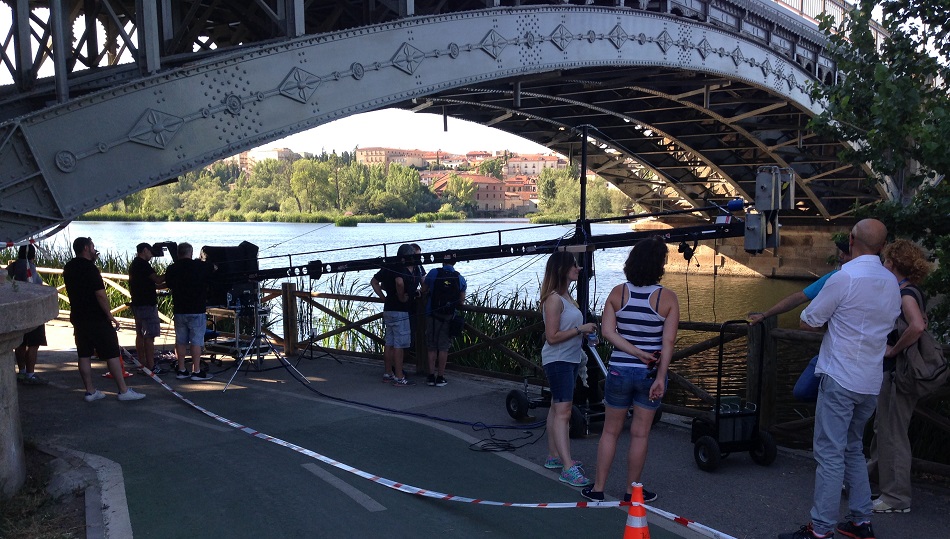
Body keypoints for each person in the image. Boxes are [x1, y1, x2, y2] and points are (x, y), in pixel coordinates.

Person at [780, 219, 901, 539]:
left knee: (830, 455)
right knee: (852, 449)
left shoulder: (845, 277)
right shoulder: (891, 282)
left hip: (840, 377)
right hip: (870, 381)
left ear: (850, 240)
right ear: (882, 247)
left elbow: (809, 320)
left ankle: (820, 529)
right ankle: (861, 521)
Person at [581, 237, 679, 503]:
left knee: (610, 431)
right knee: (639, 434)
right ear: (660, 265)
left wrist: (633, 352)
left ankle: (598, 489)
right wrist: (660, 376)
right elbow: (668, 343)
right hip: (649, 376)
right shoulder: (667, 298)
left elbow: (607, 332)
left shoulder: (617, 293)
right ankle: (631, 493)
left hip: (619, 371)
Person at [866, 239, 933, 514]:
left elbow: (916, 326)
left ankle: (896, 499)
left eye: (885, 260)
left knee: (893, 433)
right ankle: (875, 482)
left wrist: (893, 349)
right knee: (884, 429)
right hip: (897, 373)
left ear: (892, 263)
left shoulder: (905, 293)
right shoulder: (910, 290)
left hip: (899, 374)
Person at [749, 239, 851, 401]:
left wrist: (765, 315)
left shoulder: (838, 278)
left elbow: (803, 307)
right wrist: (765, 314)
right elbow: (800, 297)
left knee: (807, 392)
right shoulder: (883, 279)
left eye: (845, 253)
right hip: (866, 362)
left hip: (839, 357)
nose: (840, 256)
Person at [62, 237, 146, 402]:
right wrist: (110, 315)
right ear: (86, 248)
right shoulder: (91, 269)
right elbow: (100, 294)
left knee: (84, 354)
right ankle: (123, 390)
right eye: (92, 247)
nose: (95, 250)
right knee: (112, 353)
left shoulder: (69, 266)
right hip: (96, 317)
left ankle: (90, 391)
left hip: (78, 316)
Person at [539, 251, 597, 487]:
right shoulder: (554, 299)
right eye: (574, 265)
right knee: (564, 412)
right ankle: (567, 467)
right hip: (559, 360)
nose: (579, 268)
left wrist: (583, 331)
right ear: (563, 269)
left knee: (556, 407)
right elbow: (551, 337)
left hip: (569, 359)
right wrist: (580, 329)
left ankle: (555, 456)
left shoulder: (566, 296)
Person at [164, 242, 215, 381]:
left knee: (180, 341)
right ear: (191, 253)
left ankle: (181, 369)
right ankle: (196, 371)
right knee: (196, 342)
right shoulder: (200, 266)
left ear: (178, 253)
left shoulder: (172, 268)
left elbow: (168, 283)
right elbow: (213, 268)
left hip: (179, 310)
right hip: (197, 309)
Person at [371, 244, 418, 386]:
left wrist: (383, 298)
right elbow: (399, 282)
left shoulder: (388, 266)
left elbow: (374, 282)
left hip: (388, 308)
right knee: (399, 344)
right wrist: (402, 297)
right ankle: (399, 376)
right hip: (400, 310)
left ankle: (388, 373)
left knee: (389, 342)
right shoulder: (400, 268)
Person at [7, 244, 49, 385]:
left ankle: (22, 371)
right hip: (32, 311)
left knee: (20, 343)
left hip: (15, 311)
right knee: (33, 344)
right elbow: (35, 287)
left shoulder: (12, 267)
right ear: (33, 255)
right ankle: (30, 374)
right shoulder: (29, 268)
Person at [421, 260, 466, 387]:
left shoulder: (433, 273)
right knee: (443, 348)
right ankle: (440, 377)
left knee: (431, 346)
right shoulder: (459, 278)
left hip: (432, 315)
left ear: (442, 262)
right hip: (448, 317)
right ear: (455, 263)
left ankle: (430, 377)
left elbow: (423, 289)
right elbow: (461, 301)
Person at [129, 243, 166, 374]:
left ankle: (142, 363)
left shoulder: (135, 264)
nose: (151, 255)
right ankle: (151, 366)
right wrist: (173, 272)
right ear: (144, 250)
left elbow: (149, 284)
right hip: (147, 305)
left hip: (137, 303)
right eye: (150, 252)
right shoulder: (143, 265)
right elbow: (157, 280)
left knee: (140, 334)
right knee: (149, 336)